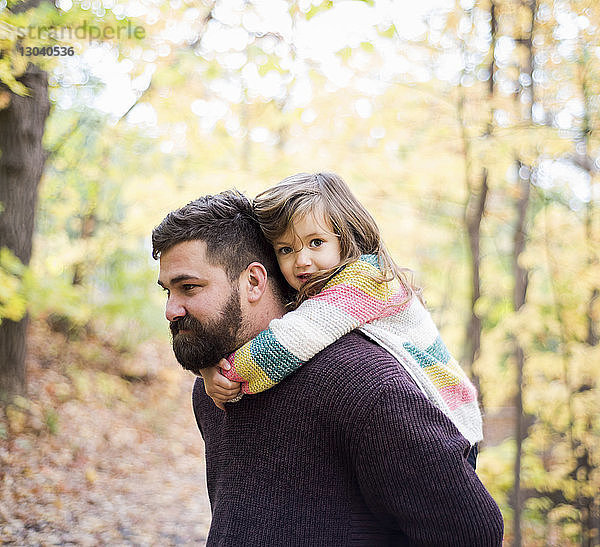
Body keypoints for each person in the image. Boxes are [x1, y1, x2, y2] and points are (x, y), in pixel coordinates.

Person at [152, 189, 504, 546]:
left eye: (189, 288)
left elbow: (473, 533)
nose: (171, 309)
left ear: (255, 281)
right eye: (168, 291)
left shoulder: (366, 386)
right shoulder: (215, 389)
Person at [201, 172, 483, 466]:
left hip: (450, 426)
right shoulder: (316, 286)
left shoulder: (365, 281)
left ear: (345, 238)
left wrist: (225, 374)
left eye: (316, 242)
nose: (302, 260)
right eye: (286, 249)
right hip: (411, 427)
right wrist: (206, 365)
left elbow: (287, 342)